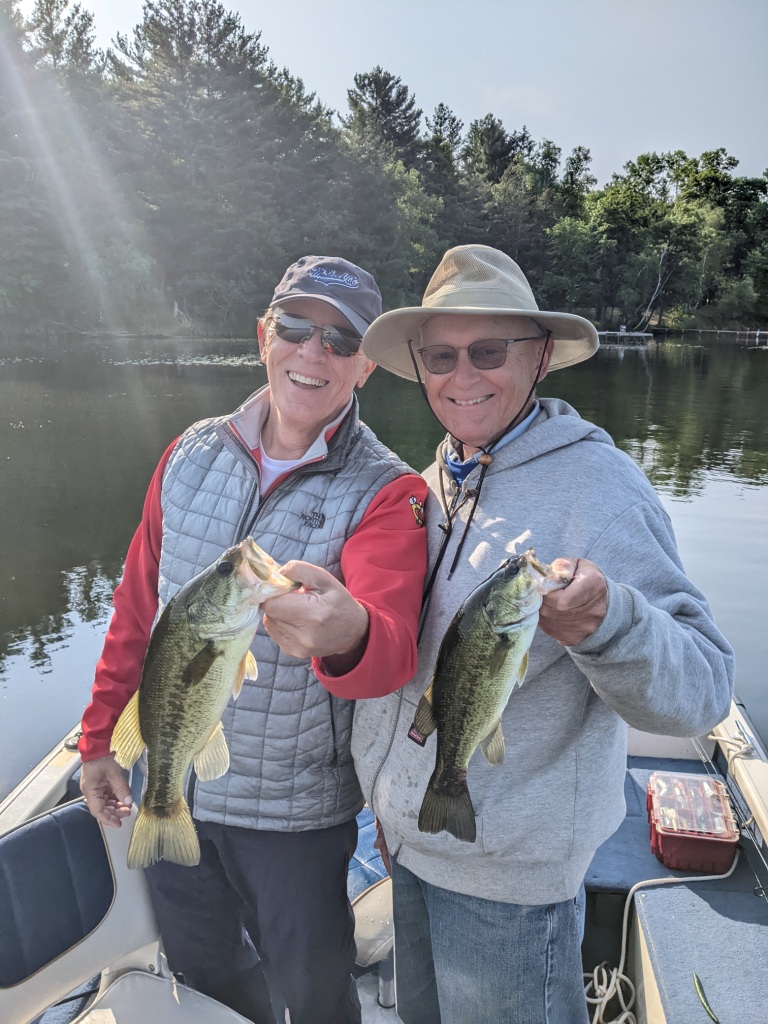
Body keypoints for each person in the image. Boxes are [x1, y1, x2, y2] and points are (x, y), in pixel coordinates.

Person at [350, 244, 735, 1024]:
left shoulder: (601, 488)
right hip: (413, 843)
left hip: (509, 889)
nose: (463, 377)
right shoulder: (427, 487)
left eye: (489, 352)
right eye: (441, 356)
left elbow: (704, 688)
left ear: (542, 357)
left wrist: (606, 621)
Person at [78, 255, 429, 1024]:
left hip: (294, 818)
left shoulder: (391, 490)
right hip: (173, 785)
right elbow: (139, 611)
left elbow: (394, 645)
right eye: (297, 328)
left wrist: (348, 635)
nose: (314, 353)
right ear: (264, 335)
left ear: (365, 365)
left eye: (340, 341)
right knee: (205, 975)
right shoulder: (188, 453)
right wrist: (99, 738)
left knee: (312, 987)